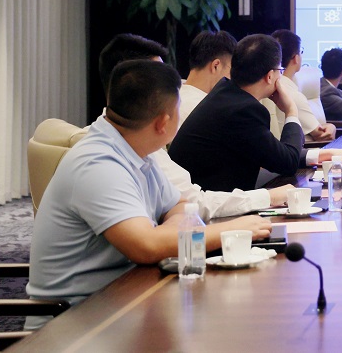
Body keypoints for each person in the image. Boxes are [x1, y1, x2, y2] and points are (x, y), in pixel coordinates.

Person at [27, 60, 271, 327]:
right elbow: (145, 246)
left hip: (120, 302)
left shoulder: (135, 148)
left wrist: (172, 231)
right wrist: (231, 230)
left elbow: (179, 204)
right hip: (74, 325)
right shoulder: (97, 164)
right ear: (163, 122)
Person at [97, 33, 293, 219]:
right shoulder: (102, 160)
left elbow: (186, 203)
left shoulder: (140, 145)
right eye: (162, 81)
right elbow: (148, 237)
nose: (174, 94)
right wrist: (267, 198)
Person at [169, 35, 342, 192]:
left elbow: (273, 153)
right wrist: (291, 111)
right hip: (207, 210)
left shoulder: (228, 96)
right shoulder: (243, 109)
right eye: (280, 71)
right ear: (270, 76)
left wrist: (324, 154)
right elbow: (286, 162)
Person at [271, 29, 337, 141]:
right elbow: (322, 134)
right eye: (301, 52)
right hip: (302, 151)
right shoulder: (292, 95)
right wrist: (332, 126)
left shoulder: (267, 87)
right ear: (296, 58)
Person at [180, 30, 238, 122]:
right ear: (216, 66)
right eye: (232, 70)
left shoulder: (172, 96)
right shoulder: (210, 110)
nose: (233, 79)